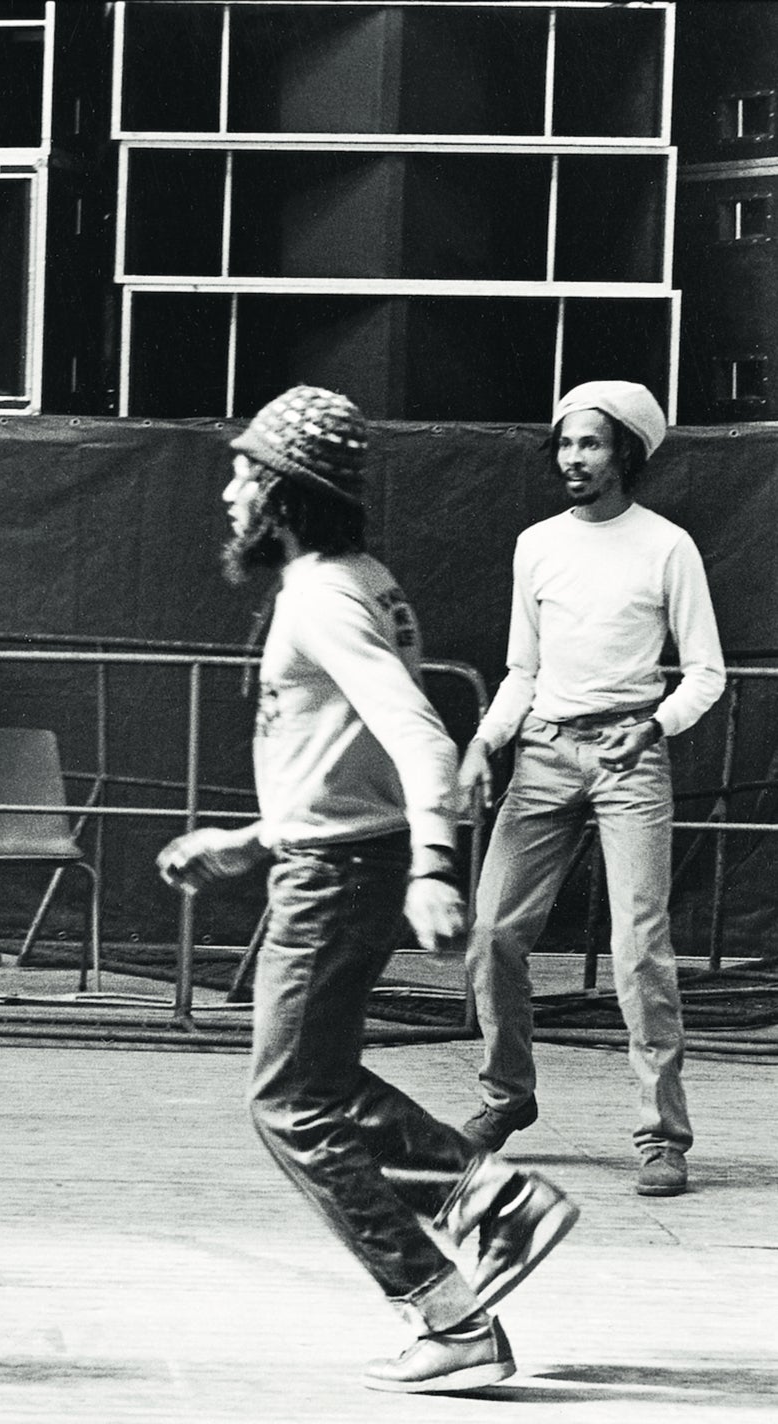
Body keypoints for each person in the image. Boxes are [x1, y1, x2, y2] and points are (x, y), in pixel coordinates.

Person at [157, 386, 579, 1394]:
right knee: (324, 1080)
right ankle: (492, 1200)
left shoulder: (322, 594)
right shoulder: (357, 578)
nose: (227, 489)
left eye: (242, 471)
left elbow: (420, 734)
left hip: (341, 874)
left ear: (284, 491)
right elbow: (346, 759)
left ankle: (446, 1310)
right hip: (334, 857)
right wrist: (254, 838)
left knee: (288, 1101)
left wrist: (438, 867)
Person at [456, 381, 723, 1199]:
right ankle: (505, 1099)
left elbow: (705, 674)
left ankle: (661, 1137)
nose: (573, 458)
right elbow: (521, 670)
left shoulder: (666, 546)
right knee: (493, 930)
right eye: (566, 444)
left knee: (640, 948)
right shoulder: (535, 544)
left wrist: (652, 728)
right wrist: (484, 741)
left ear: (625, 455)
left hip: (629, 753)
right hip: (542, 752)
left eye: (591, 445)